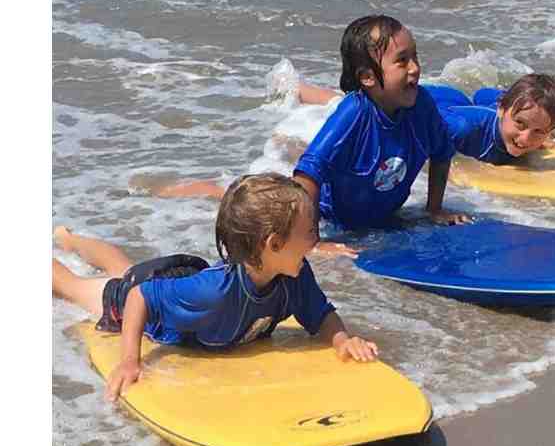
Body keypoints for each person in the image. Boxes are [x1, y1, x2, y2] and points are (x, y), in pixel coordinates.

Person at [53, 172, 379, 402]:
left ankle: (70, 239)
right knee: (76, 286)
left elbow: (321, 314)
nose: (316, 241)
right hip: (135, 300)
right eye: (310, 232)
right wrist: (129, 360)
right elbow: (140, 296)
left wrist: (342, 339)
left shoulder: (294, 277)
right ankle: (60, 244)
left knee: (125, 269)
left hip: (185, 280)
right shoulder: (214, 293)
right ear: (274, 244)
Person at [154, 15, 471, 245]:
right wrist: (312, 241)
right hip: (325, 212)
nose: (415, 68)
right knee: (259, 209)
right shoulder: (354, 114)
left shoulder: (421, 105)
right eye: (402, 61)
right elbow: (307, 174)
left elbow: (442, 152)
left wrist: (434, 209)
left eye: (415, 57)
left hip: (375, 215)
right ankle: (189, 189)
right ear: (367, 77)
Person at [294, 73, 555, 165]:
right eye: (521, 125)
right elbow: (416, 129)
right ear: (502, 110)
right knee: (361, 105)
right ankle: (296, 88)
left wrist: (536, 135)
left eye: (539, 131)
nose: (525, 138)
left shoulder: (522, 130)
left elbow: (489, 98)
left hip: (466, 104)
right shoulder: (461, 130)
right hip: (436, 105)